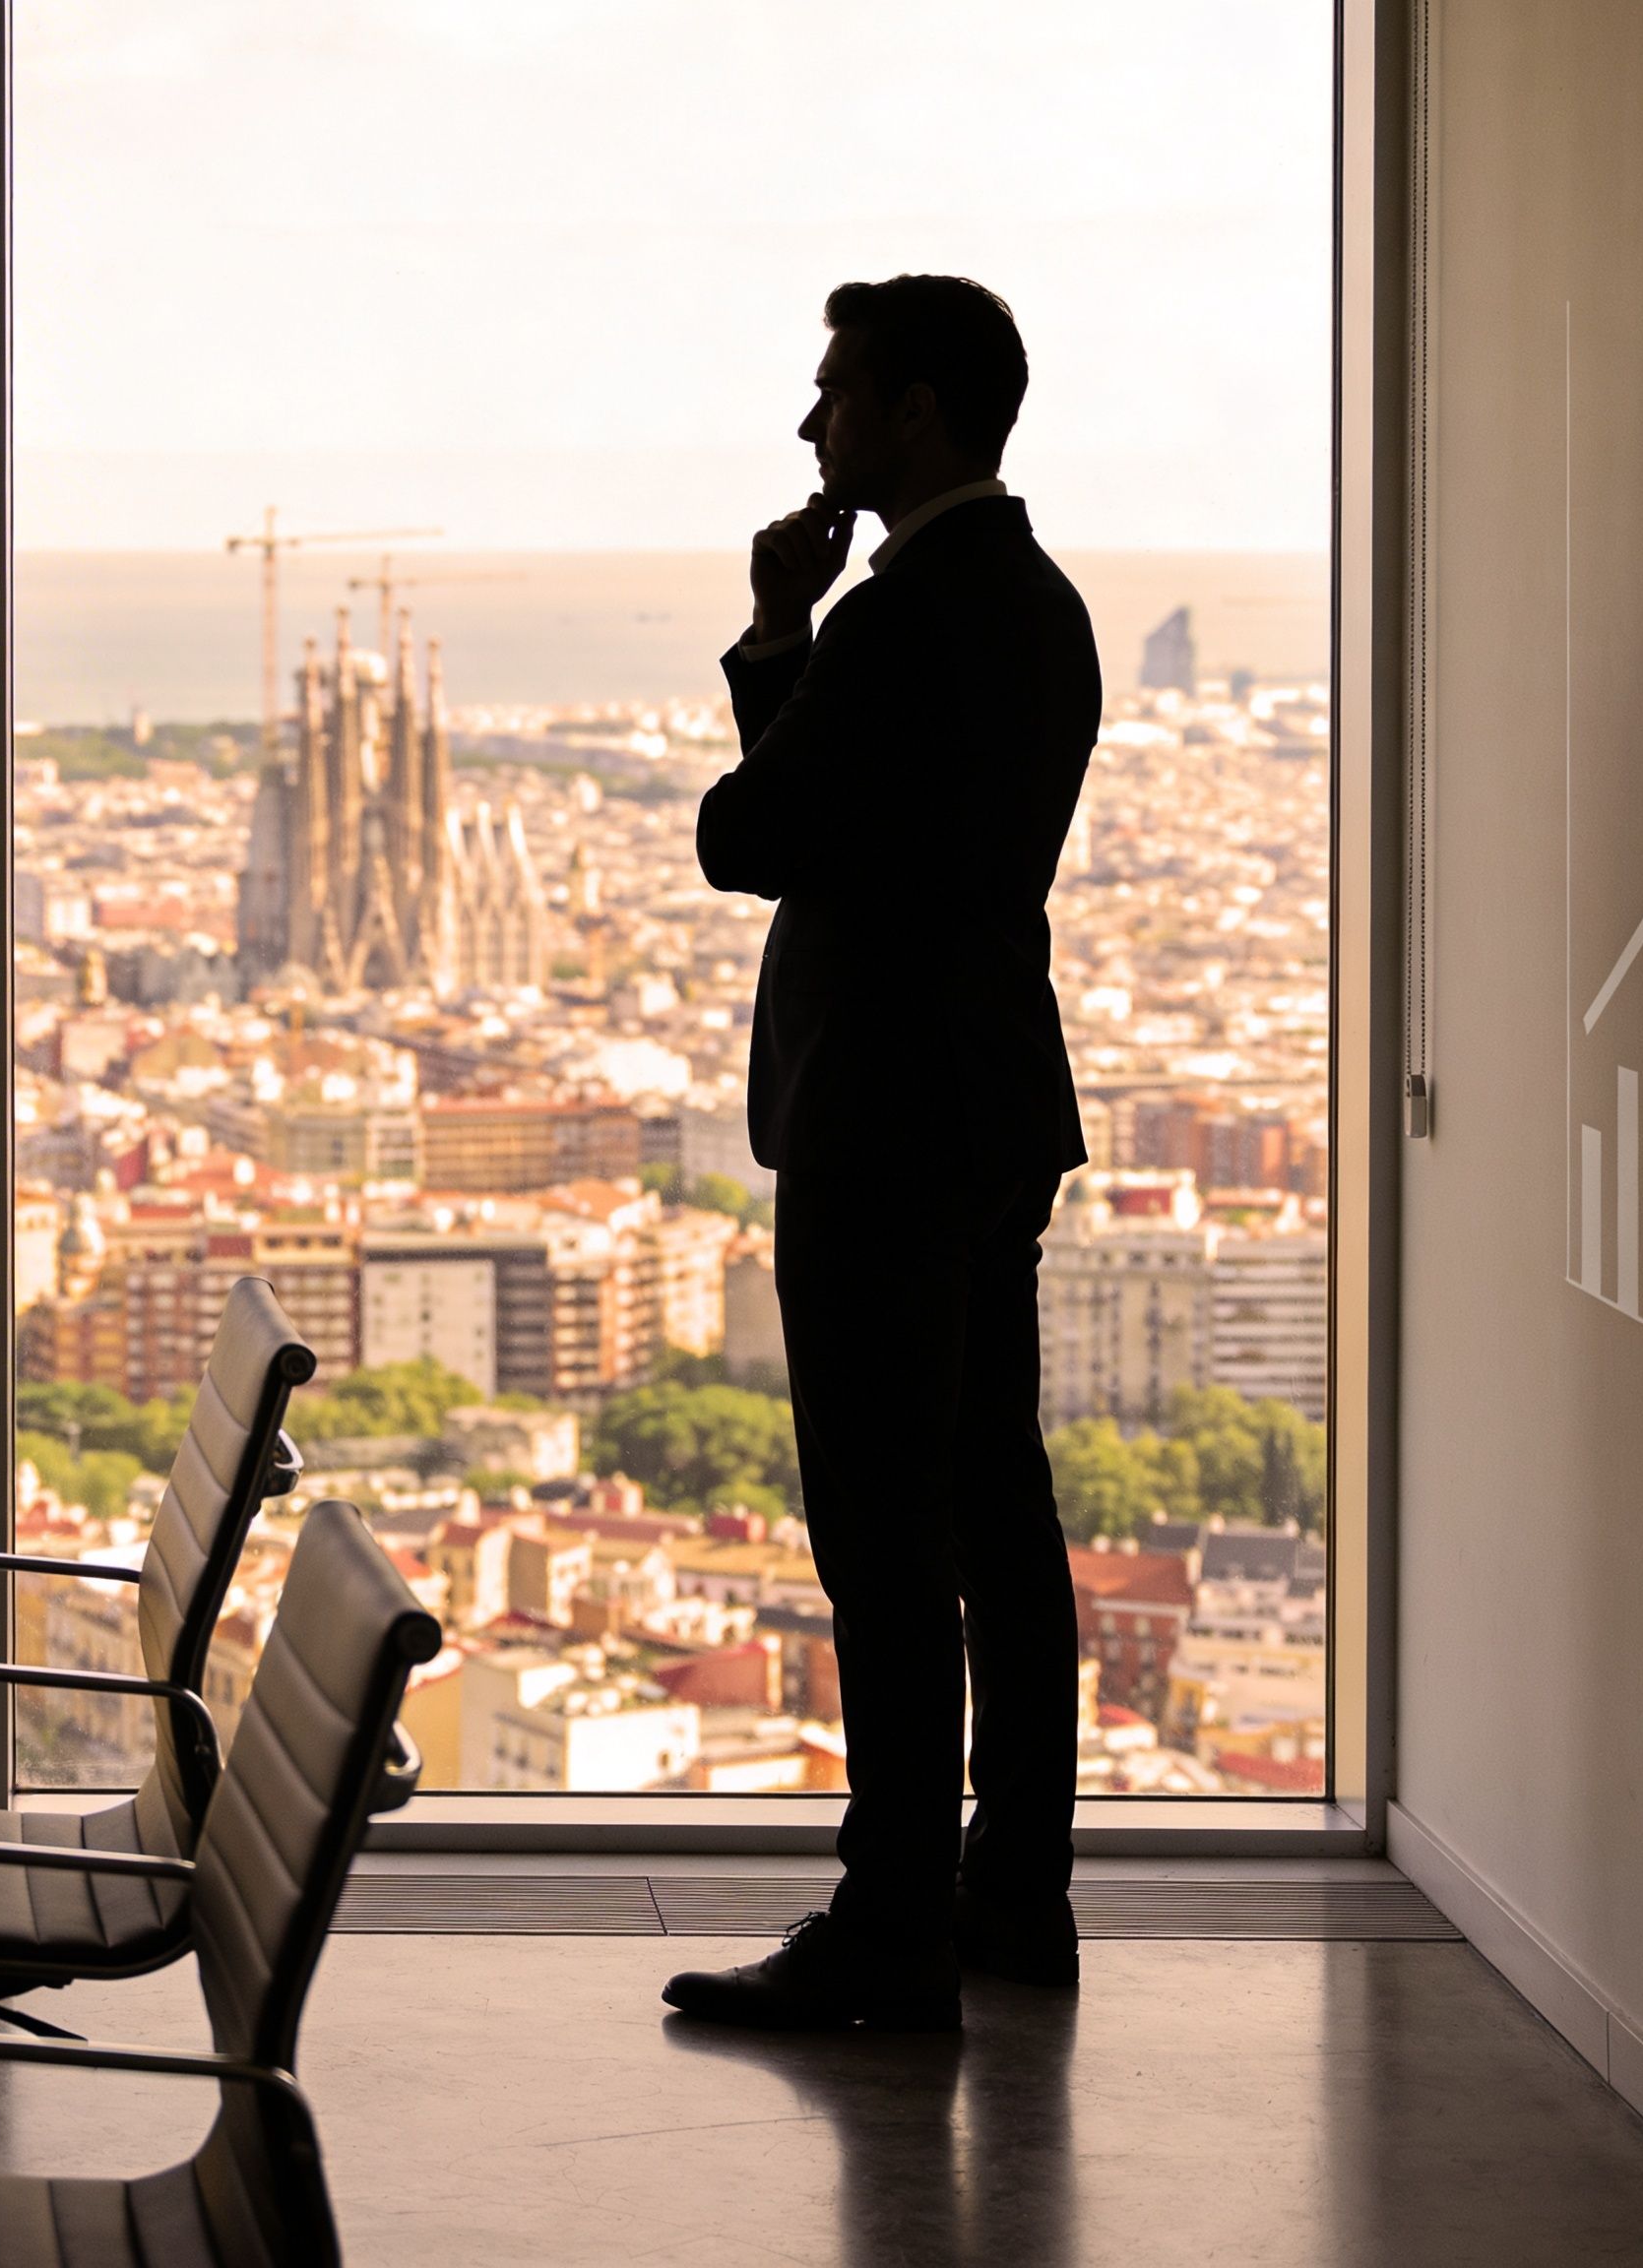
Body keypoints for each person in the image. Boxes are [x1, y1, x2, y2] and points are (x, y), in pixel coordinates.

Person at [664, 275, 1101, 2033]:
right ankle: (1014, 1896)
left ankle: (892, 1921)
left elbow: (751, 836)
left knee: (884, 1533)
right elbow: (865, 829)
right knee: (999, 1509)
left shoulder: (913, 613)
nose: (809, 420)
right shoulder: (1036, 600)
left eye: (836, 386)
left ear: (917, 411)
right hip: (993, 1100)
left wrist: (783, 633)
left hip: (885, 1120)